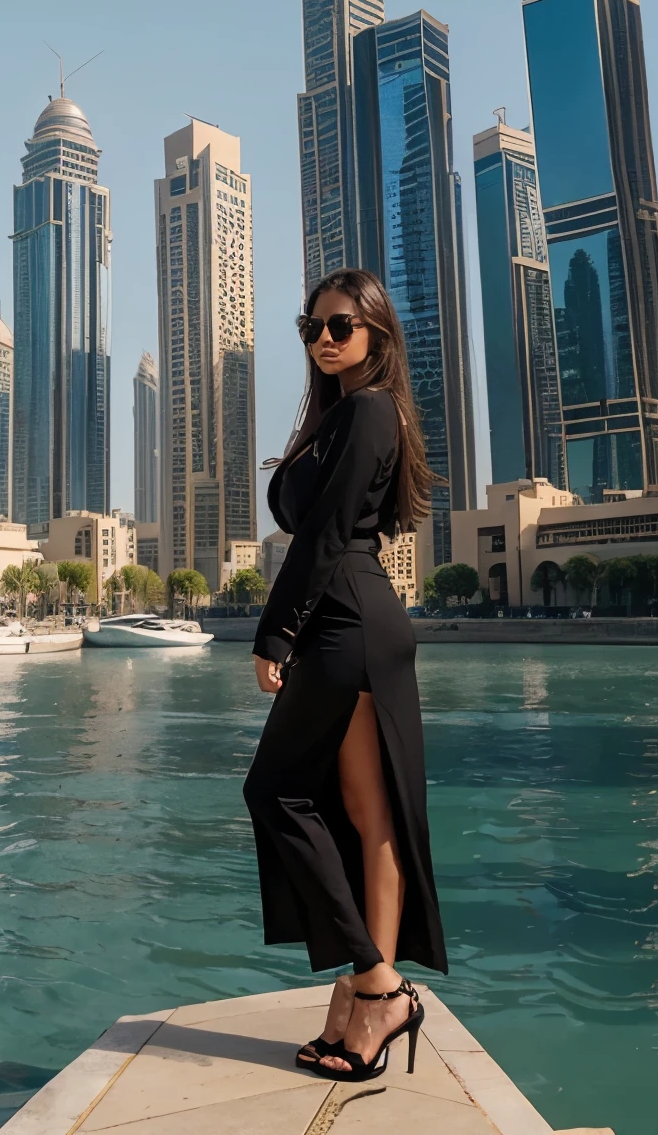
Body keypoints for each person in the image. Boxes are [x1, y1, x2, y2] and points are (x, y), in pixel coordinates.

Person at [243, 268, 447, 1082]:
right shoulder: (340, 416)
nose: (324, 340)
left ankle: (378, 982)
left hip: (346, 622)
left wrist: (276, 632)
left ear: (377, 334)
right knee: (366, 814)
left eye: (341, 327)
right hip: (353, 617)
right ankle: (364, 1000)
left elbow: (324, 535)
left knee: (275, 791)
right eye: (313, 328)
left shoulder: (368, 410)